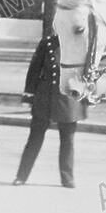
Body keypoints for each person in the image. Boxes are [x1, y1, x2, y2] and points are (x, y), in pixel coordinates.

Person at [13, 33, 87, 186]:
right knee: (34, 138)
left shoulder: (81, 44)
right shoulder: (47, 43)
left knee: (67, 140)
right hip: (44, 97)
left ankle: (67, 178)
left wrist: (87, 95)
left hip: (68, 99)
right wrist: (29, 95)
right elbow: (34, 69)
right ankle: (21, 176)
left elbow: (87, 72)